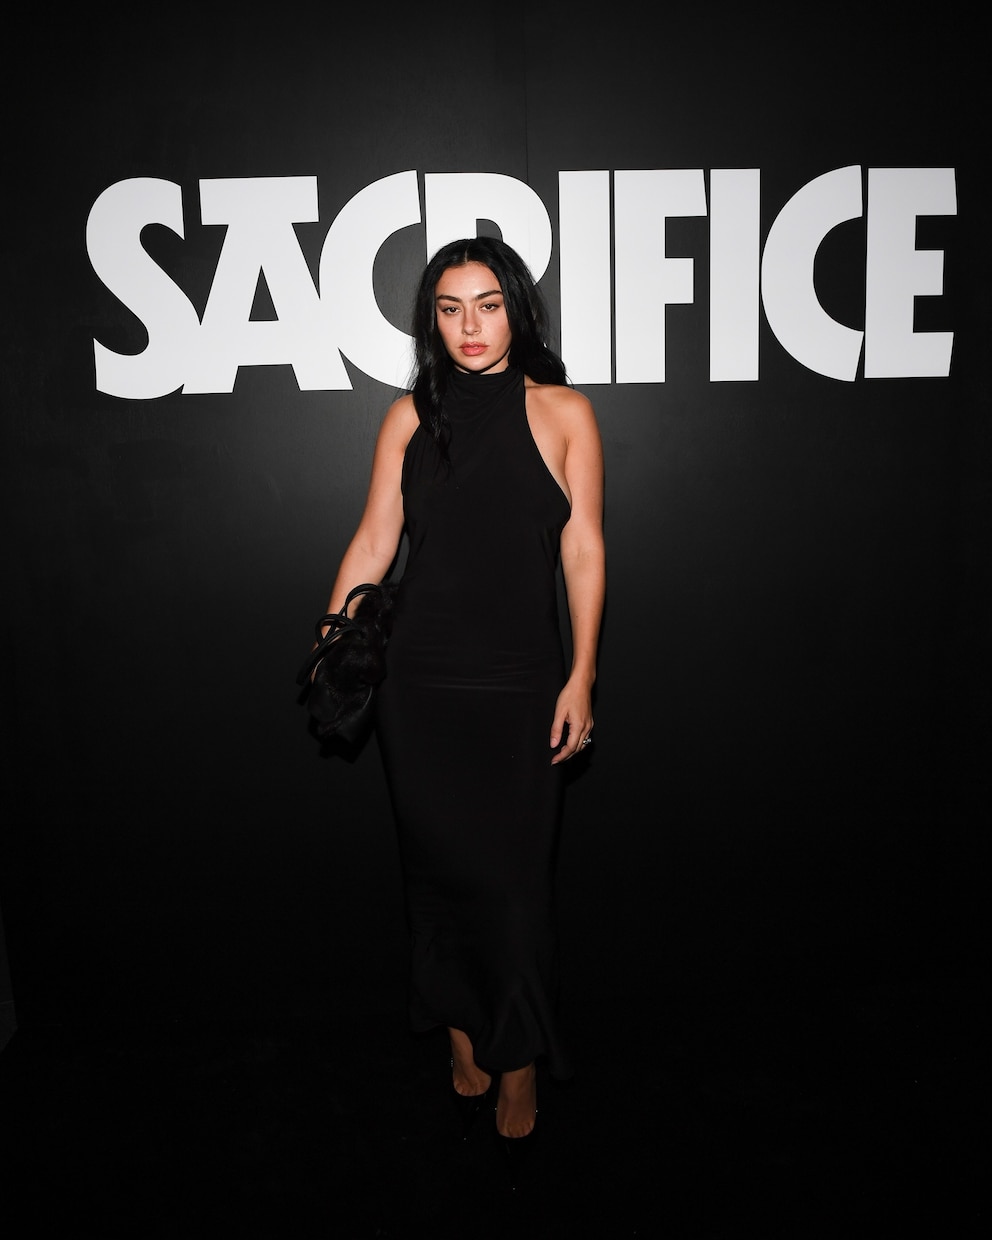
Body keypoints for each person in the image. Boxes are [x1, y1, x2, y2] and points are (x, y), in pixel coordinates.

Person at [318, 236, 605, 1150]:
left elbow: (583, 549)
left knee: (515, 891)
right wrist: (331, 643)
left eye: (488, 304)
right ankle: (458, 1036)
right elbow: (375, 540)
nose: (470, 326)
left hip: (522, 684)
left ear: (517, 310)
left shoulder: (563, 412)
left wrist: (582, 672)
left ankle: (518, 1061)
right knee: (437, 879)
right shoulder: (408, 418)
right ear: (430, 321)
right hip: (422, 688)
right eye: (450, 308)